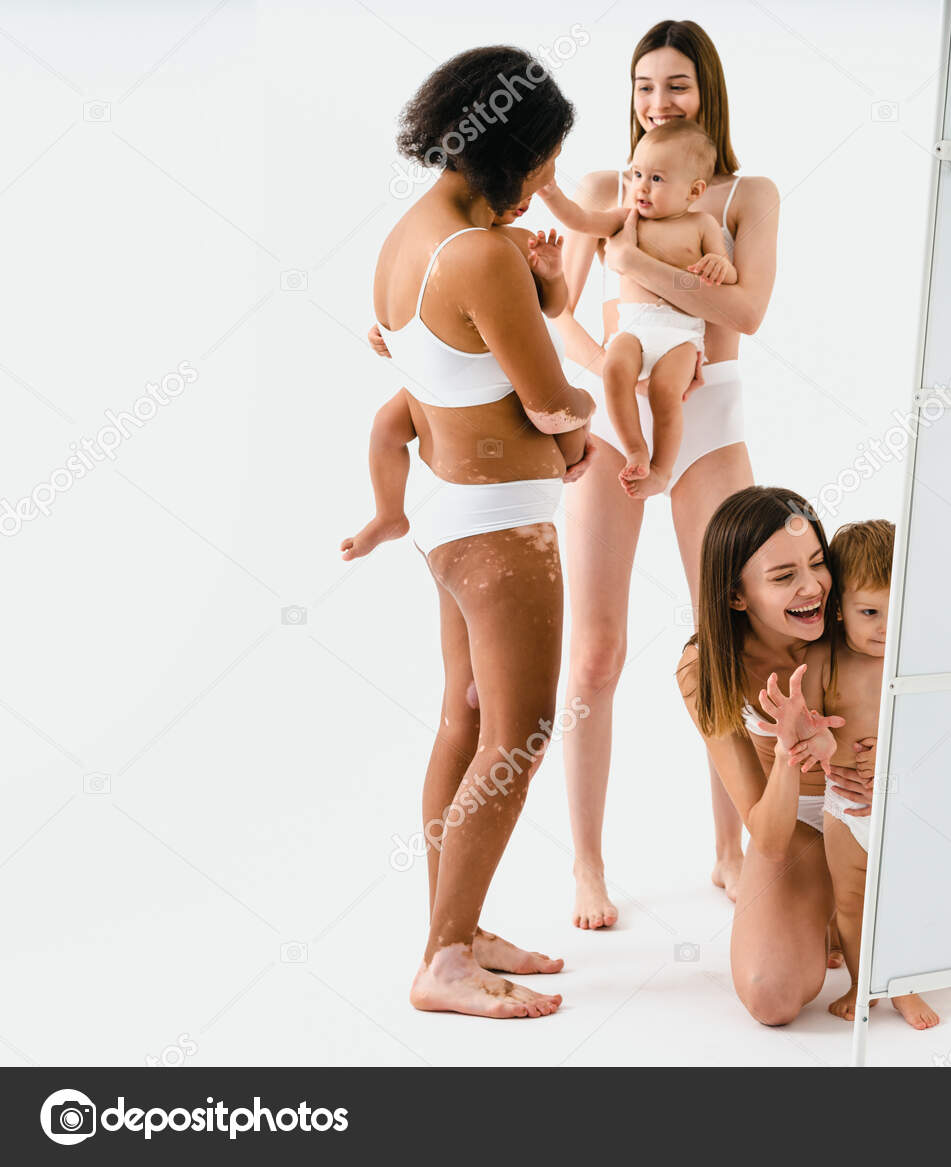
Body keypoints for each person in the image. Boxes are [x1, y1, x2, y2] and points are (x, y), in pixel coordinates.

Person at [367, 45, 597, 1018]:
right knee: (522, 731)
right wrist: (583, 413)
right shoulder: (483, 254)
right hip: (503, 534)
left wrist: (542, 294)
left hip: (447, 516)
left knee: (465, 719)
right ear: (516, 150)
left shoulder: (412, 237)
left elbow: (455, 363)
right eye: (547, 159)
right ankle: (445, 959)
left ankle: (453, 929)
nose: (550, 181)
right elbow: (549, 401)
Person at [553, 20, 781, 930]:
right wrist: (617, 366)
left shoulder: (743, 195)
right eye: (645, 85)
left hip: (707, 406)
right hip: (616, 414)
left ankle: (731, 852)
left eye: (677, 85)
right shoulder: (608, 189)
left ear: (708, 90)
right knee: (597, 649)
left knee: (725, 639)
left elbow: (748, 311)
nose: (658, 102)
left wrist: (641, 265)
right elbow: (558, 316)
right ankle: (587, 866)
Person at [675, 487, 875, 1024]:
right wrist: (789, 752)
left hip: (879, 809)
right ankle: (827, 904)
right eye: (784, 576)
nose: (813, 587)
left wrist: (902, 768)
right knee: (772, 997)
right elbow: (766, 835)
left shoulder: (857, 621)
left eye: (817, 563)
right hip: (796, 826)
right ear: (737, 596)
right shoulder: (706, 667)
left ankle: (847, 911)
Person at [788, 520, 951, 1028]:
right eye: (869, 612)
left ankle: (925, 971)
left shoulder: (923, 659)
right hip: (847, 806)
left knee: (927, 894)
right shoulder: (822, 661)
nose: (885, 626)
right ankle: (867, 981)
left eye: (897, 609)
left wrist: (905, 755)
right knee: (852, 900)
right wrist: (823, 743)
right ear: (839, 609)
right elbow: (809, 732)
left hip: (915, 805)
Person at [342, 208, 567, 560]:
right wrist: (385, 335)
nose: (524, 202)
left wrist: (552, 277)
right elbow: (418, 313)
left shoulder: (521, 242)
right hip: (441, 382)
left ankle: (571, 455)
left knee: (563, 417)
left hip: (503, 377)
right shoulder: (438, 243)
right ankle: (388, 514)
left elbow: (553, 308)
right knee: (385, 425)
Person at [539, 118, 735, 500]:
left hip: (680, 336)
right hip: (632, 329)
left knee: (665, 391)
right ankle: (636, 449)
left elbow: (725, 273)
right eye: (638, 173)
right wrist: (552, 195)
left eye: (657, 179)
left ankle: (661, 469)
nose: (641, 186)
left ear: (693, 190)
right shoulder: (626, 216)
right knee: (614, 368)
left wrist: (720, 266)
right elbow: (581, 220)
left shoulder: (702, 224)